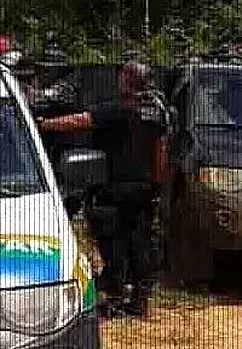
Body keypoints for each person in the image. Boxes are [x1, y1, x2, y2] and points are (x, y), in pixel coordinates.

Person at [38, 60, 165, 318]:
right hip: (144, 189)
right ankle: (138, 300)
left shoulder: (119, 109)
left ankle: (117, 292)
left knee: (113, 239)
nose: (118, 80)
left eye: (122, 77)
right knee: (139, 242)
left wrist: (44, 124)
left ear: (129, 81)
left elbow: (80, 121)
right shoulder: (155, 113)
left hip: (118, 187)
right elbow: (160, 152)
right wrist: (157, 186)